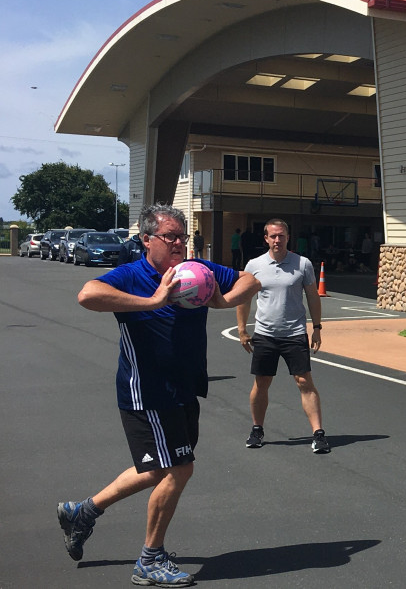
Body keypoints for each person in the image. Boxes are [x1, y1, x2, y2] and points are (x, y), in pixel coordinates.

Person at [58, 203, 259, 587]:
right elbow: (87, 294)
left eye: (184, 236)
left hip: (184, 388)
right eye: (171, 237)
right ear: (147, 240)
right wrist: (152, 302)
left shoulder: (197, 272)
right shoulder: (132, 275)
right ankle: (150, 559)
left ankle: (82, 512)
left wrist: (223, 299)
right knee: (179, 469)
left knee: (156, 469)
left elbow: (249, 280)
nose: (180, 243)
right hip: (147, 394)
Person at [236, 218, 331, 454]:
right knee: (262, 383)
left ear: (288, 238)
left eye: (282, 236)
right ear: (266, 238)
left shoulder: (303, 264)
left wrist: (317, 327)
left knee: (304, 382)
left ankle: (318, 434)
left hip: (294, 333)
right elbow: (244, 299)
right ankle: (257, 429)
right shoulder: (254, 265)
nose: (277, 240)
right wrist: (242, 329)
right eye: (273, 236)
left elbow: (312, 296)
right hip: (266, 334)